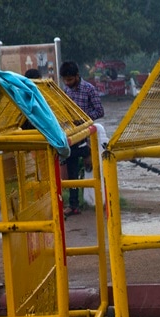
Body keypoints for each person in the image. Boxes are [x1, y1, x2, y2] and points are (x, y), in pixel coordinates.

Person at [59, 60, 104, 217]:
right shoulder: (66, 91)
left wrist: (83, 119)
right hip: (72, 134)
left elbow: (99, 111)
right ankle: (74, 205)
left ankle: (99, 200)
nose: (67, 83)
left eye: (70, 80)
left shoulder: (89, 89)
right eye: (65, 80)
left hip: (86, 134)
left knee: (81, 164)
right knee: (71, 170)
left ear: (77, 76)